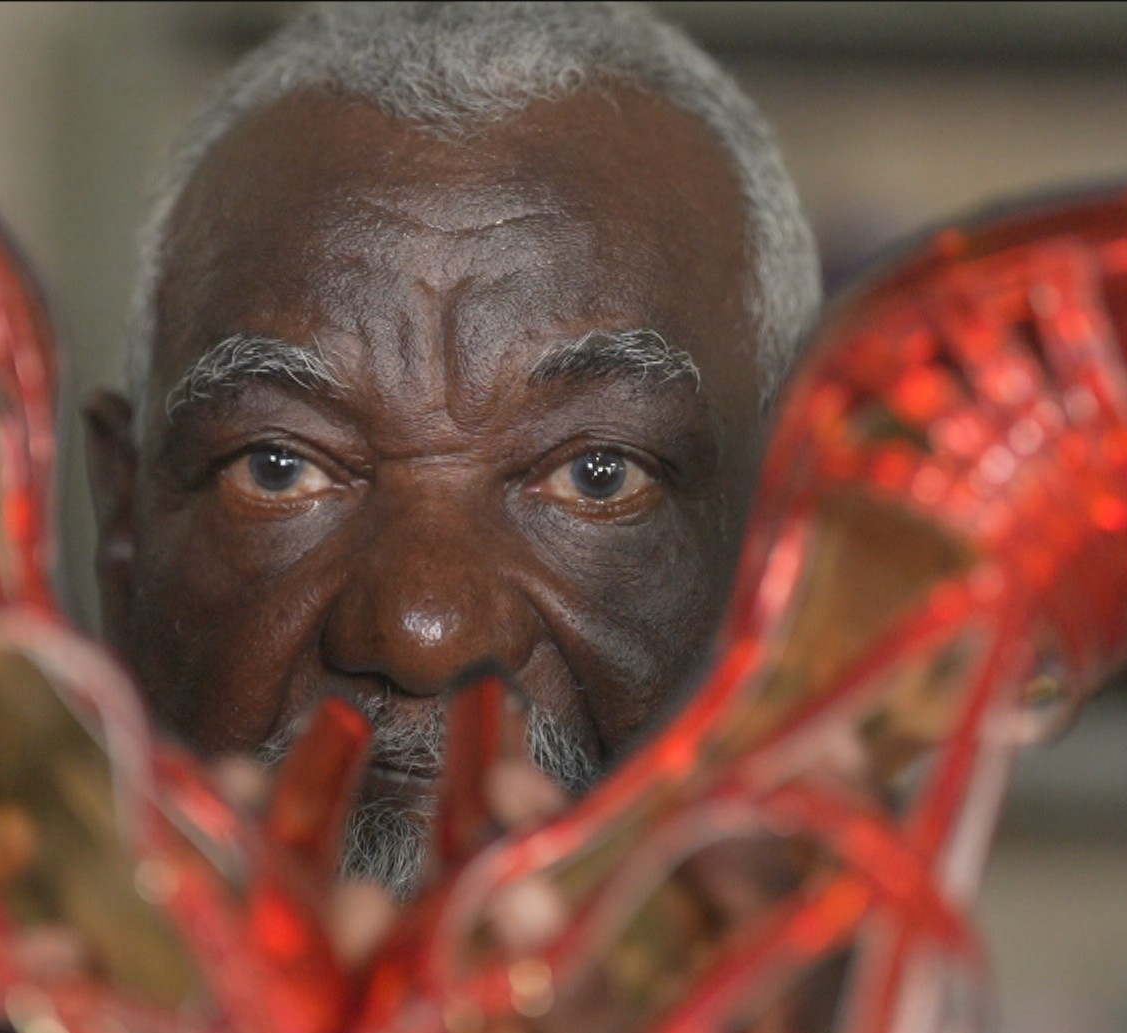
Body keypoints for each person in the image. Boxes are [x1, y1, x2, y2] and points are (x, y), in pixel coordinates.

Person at [80, 0, 822, 898]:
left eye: (598, 474)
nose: (422, 633)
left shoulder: (907, 1031)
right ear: (122, 538)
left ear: (800, 560)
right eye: (279, 467)